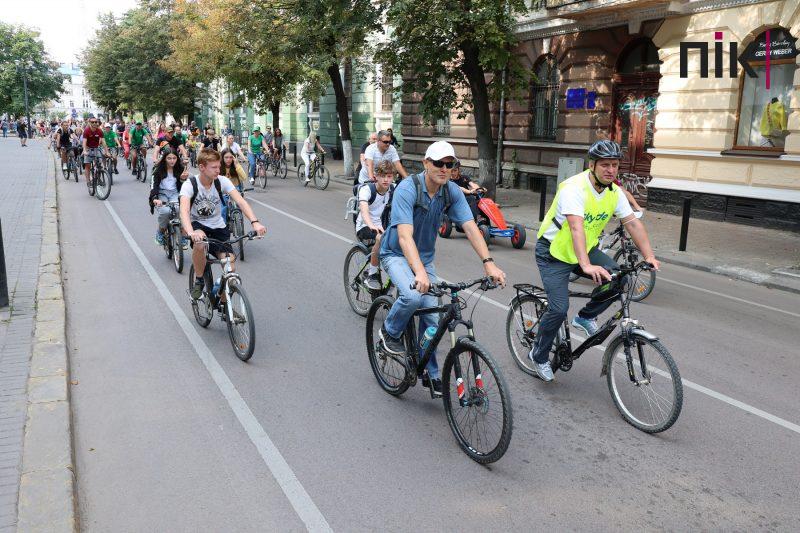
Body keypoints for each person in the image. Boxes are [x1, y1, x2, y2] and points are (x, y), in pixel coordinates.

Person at [377, 141, 506, 396]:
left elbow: (470, 227)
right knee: (413, 296)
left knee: (432, 319)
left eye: (450, 164)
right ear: (426, 163)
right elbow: (404, 236)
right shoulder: (407, 188)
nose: (444, 169)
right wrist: (420, 273)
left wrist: (489, 263)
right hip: (397, 253)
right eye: (438, 163)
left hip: (423, 258)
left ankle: (431, 372)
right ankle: (389, 333)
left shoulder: (451, 191)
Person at [528, 140, 660, 382]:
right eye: (605, 165)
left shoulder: (614, 193)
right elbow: (576, 228)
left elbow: (632, 223)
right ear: (592, 165)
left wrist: (649, 255)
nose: (610, 170)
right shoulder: (573, 188)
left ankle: (586, 317)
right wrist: (587, 266)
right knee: (558, 308)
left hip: (584, 250)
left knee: (620, 277)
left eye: (615, 165)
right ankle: (538, 354)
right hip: (553, 252)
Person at [181, 149, 266, 300]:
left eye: (218, 167)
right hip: (198, 225)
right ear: (202, 167)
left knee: (230, 273)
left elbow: (240, 201)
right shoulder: (190, 185)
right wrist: (190, 231)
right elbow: (184, 211)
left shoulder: (221, 181)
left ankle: (223, 305)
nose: (218, 170)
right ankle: (199, 280)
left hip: (219, 228)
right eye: (213, 167)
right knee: (200, 243)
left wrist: (255, 222)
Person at [356, 160, 396, 290]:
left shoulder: (392, 189)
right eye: (382, 175)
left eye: (389, 176)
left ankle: (389, 291)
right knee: (380, 238)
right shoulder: (367, 190)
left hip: (381, 227)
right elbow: (364, 209)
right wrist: (370, 225)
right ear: (376, 176)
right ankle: (372, 275)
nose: (386, 179)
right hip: (364, 226)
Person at [149, 148, 190, 246]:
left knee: (180, 210)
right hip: (161, 194)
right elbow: (153, 185)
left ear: (177, 158)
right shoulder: (158, 169)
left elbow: (184, 187)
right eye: (169, 158)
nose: (172, 161)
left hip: (175, 193)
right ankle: (160, 232)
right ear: (164, 159)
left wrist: (183, 179)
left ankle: (182, 235)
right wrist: (155, 198)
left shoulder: (180, 168)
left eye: (174, 158)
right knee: (165, 211)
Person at [81, 118, 110, 185]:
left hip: (96, 148)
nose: (94, 123)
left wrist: (107, 151)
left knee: (99, 165)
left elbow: (104, 142)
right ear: (89, 122)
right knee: (87, 165)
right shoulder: (86, 130)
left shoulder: (99, 131)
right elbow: (84, 142)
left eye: (95, 122)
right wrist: (85, 150)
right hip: (88, 148)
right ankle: (88, 181)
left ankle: (98, 178)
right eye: (92, 122)